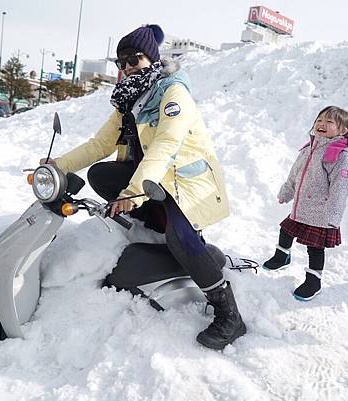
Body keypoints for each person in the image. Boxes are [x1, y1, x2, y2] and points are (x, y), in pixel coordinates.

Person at [41, 24, 246, 350]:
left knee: (180, 237)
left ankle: (228, 313)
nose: (126, 68)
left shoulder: (173, 92)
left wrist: (132, 193)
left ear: (151, 59)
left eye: (133, 60)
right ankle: (152, 224)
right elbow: (99, 145)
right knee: (100, 174)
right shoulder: (128, 101)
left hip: (183, 181)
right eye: (120, 63)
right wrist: (57, 166)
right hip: (150, 181)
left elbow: (166, 144)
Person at [262, 106, 348, 301]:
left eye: (330, 122)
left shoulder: (340, 156)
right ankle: (282, 257)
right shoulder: (310, 147)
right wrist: (287, 192)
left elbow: (340, 189)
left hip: (322, 213)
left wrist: (333, 215)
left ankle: (314, 281)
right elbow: (295, 173)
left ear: (344, 130)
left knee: (314, 248)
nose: (322, 124)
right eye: (319, 120)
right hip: (301, 207)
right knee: (286, 230)